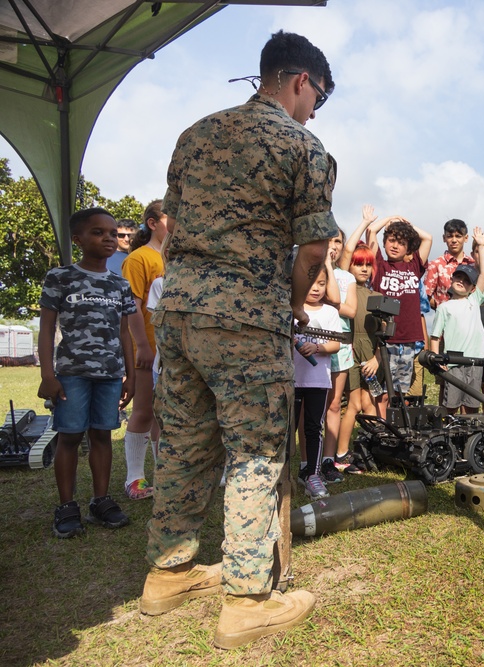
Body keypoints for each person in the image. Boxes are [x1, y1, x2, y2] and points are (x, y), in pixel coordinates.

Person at [141, 31, 336, 648]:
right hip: (247, 317)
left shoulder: (194, 135)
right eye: (319, 98)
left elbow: (170, 224)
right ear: (301, 81)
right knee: (255, 454)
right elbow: (311, 249)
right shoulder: (303, 145)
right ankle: (248, 598)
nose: (315, 111)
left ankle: (167, 573)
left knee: (185, 444)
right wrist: (286, 305)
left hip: (180, 310)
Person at [38, 207, 137, 538]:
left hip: (110, 374)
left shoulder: (119, 284)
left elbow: (125, 332)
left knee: (102, 434)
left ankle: (101, 500)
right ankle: (66, 506)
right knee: (69, 436)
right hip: (71, 374)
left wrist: (130, 374)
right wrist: (47, 375)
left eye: (112, 233)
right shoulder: (60, 277)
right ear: (78, 239)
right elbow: (47, 328)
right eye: (98, 232)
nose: (108, 238)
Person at [120, 199, 167, 500]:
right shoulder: (139, 259)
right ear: (152, 223)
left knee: (162, 415)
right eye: (170, 217)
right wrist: (143, 346)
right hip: (148, 351)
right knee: (143, 412)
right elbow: (131, 306)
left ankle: (164, 476)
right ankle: (134, 478)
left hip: (169, 354)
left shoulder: (174, 259)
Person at [336, 229, 387, 470]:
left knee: (369, 404)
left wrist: (376, 359)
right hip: (350, 353)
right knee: (354, 405)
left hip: (371, 357)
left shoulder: (377, 296)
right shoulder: (345, 289)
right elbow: (346, 252)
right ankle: (341, 455)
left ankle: (375, 450)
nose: (364, 269)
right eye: (359, 264)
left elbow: (383, 335)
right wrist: (367, 225)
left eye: (368, 264)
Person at [367, 211, 432, 396]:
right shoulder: (380, 265)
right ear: (385, 241)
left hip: (409, 339)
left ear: (408, 249)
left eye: (402, 243)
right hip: (386, 338)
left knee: (401, 392)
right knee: (383, 391)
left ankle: (397, 424)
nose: (395, 246)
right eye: (392, 240)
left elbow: (427, 238)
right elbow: (371, 230)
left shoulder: (414, 266)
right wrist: (390, 218)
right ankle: (383, 423)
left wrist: (406, 225)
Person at [428, 227, 484, 414]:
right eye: (458, 277)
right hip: (453, 362)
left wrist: (480, 245)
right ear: (451, 279)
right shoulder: (444, 307)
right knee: (450, 405)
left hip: (475, 362)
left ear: (472, 288)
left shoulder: (474, 300)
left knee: (472, 406)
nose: (461, 281)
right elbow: (435, 336)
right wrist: (436, 359)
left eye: (466, 280)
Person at [292, 267, 341, 500]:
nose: (316, 288)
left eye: (321, 284)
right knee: (286, 429)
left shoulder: (330, 312)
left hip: (318, 380)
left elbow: (335, 344)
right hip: (290, 379)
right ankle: (280, 475)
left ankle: (313, 474)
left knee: (313, 428)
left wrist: (318, 347)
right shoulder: (290, 308)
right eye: (311, 282)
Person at [320, 232, 352, 482]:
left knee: (334, 403)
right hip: (311, 341)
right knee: (307, 405)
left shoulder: (347, 277)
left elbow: (348, 308)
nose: (333, 246)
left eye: (338, 242)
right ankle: (308, 458)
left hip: (339, 346)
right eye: (329, 241)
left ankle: (328, 459)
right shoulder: (309, 269)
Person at [424, 218, 474, 310]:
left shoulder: (473, 265)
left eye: (458, 236)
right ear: (444, 238)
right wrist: (441, 307)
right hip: (445, 320)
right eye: (450, 236)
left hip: (468, 318)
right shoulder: (436, 265)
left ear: (466, 238)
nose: (454, 240)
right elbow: (425, 295)